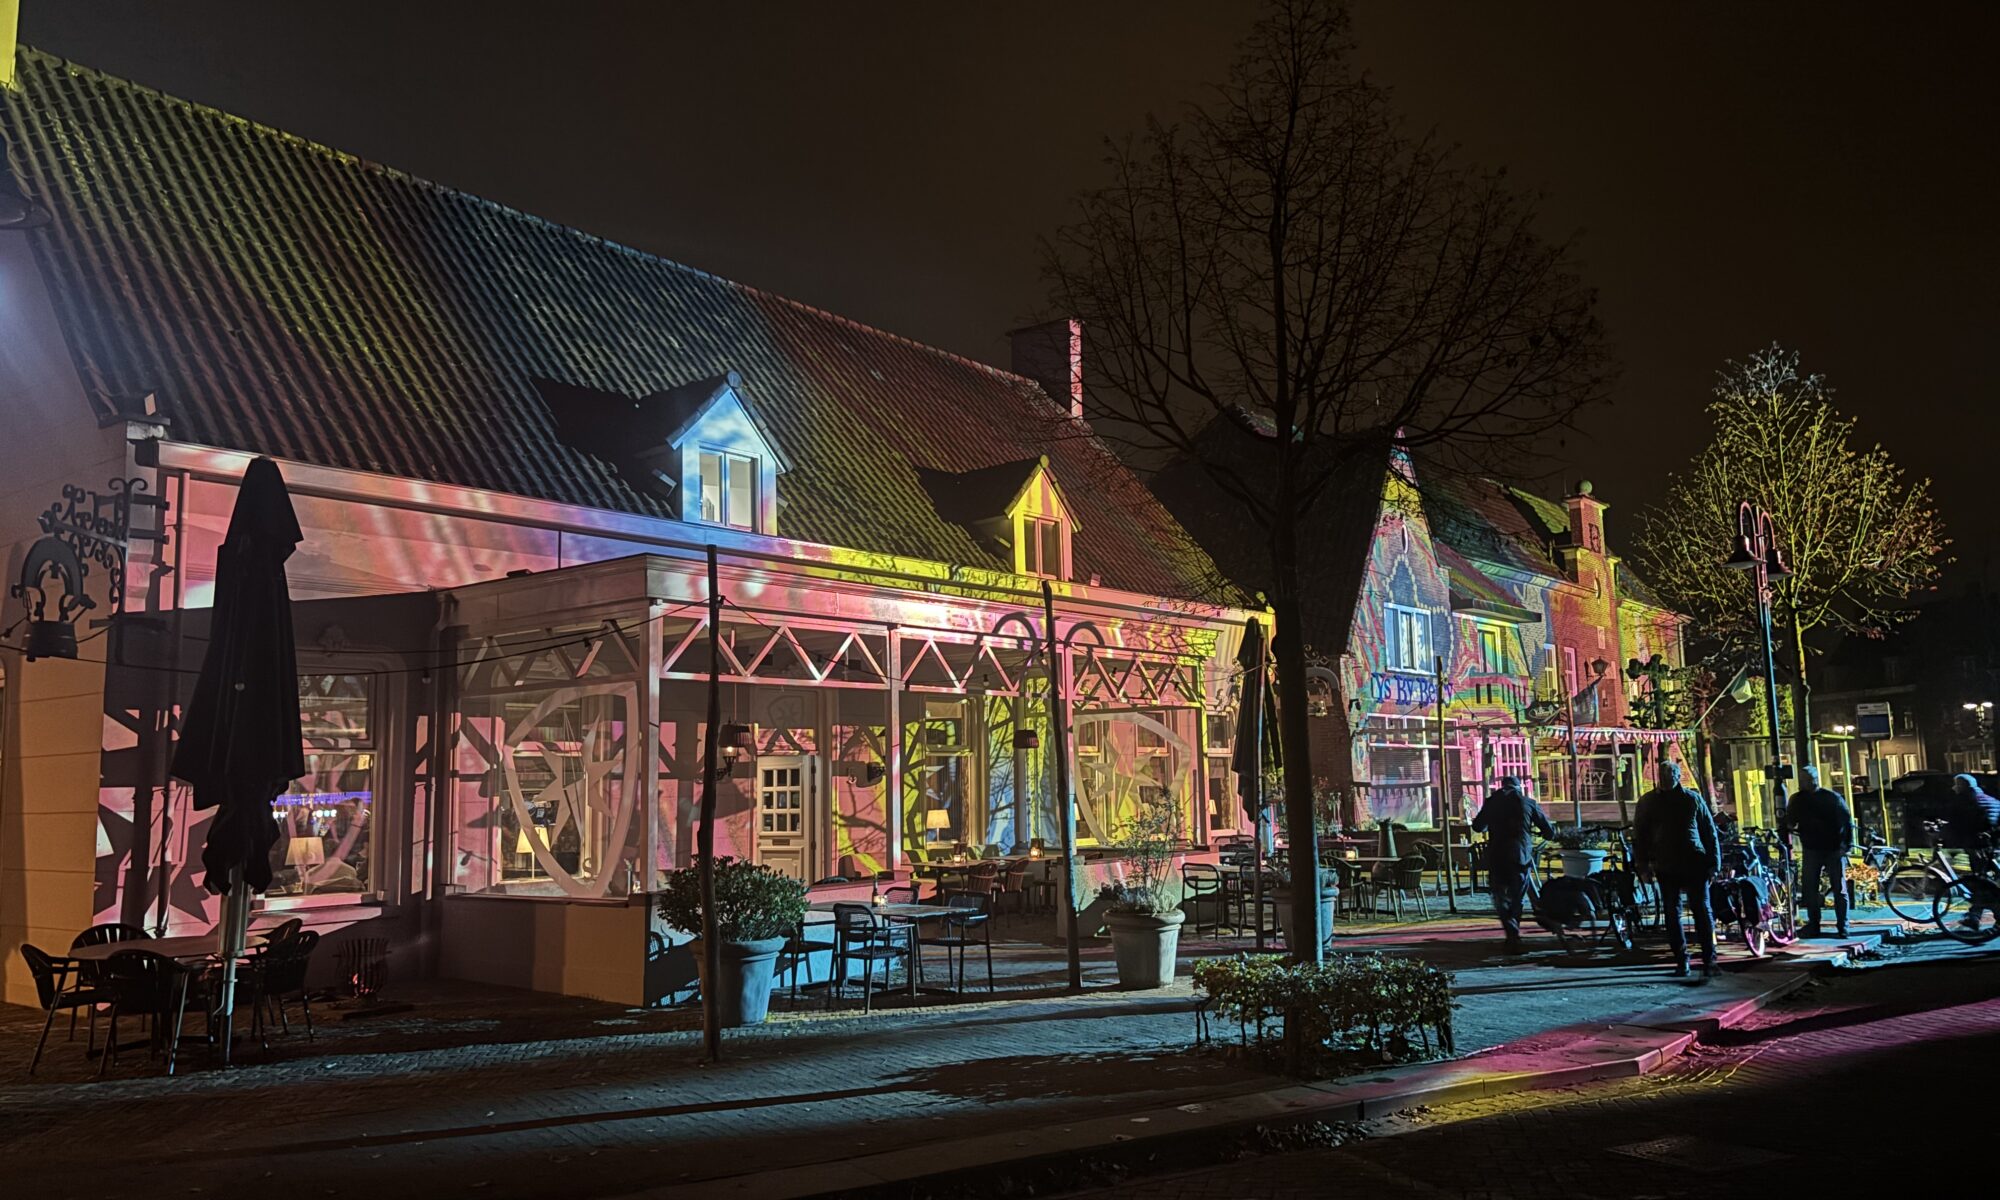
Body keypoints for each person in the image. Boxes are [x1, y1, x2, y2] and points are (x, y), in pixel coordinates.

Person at [1634, 761, 1722, 980]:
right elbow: (1640, 837)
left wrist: (1714, 863)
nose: (1667, 778)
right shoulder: (1649, 802)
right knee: (1674, 912)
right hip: (1668, 863)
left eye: (1671, 774)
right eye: (1664, 774)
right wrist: (1642, 865)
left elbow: (1709, 831)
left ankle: (1709, 958)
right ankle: (1683, 959)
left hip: (1693, 861)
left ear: (1678, 776)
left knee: (1701, 910)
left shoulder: (1691, 799)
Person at [1471, 775, 1556, 953]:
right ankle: (1514, 934)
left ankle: (1511, 933)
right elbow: (1548, 832)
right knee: (1517, 897)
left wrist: (1490, 824)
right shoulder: (1528, 803)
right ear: (1519, 788)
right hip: (1520, 856)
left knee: (1500, 896)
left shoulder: (1492, 802)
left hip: (1497, 855)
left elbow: (1478, 826)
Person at [1784, 766, 1854, 937]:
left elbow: (1846, 822)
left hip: (1829, 848)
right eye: (1804, 779)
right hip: (1818, 848)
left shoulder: (1825, 798)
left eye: (1808, 779)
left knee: (1832, 887)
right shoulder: (1827, 798)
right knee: (1819, 888)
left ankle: (1833, 925)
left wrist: (1846, 846)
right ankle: (1829, 925)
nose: (1806, 783)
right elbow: (1847, 821)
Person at [1948, 773, 2000, 933]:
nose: (1953, 788)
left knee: (1982, 884)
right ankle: (1974, 917)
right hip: (1993, 846)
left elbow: (1963, 825)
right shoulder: (1990, 799)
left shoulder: (1969, 801)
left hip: (1979, 848)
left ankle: (1978, 917)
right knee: (1985, 883)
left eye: (1956, 785)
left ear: (1964, 786)